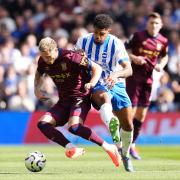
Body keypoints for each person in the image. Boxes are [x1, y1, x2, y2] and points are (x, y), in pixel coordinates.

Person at [34, 37, 120, 167]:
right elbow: (38, 74)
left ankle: (109, 147)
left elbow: (97, 68)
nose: (47, 60)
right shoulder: (43, 61)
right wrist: (37, 90)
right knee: (42, 124)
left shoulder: (71, 57)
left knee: (74, 127)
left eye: (49, 56)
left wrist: (91, 83)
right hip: (63, 101)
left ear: (56, 50)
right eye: (44, 57)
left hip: (80, 97)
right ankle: (71, 148)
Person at [75, 14, 134, 172]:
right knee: (103, 98)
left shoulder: (116, 44)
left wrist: (115, 74)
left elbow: (129, 69)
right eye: (96, 33)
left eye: (102, 34)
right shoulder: (83, 41)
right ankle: (114, 135)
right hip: (96, 82)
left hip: (116, 83)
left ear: (109, 31)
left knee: (128, 124)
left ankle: (125, 153)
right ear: (92, 30)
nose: (98, 37)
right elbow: (75, 61)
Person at [125, 12, 168, 160]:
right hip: (133, 79)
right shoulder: (137, 36)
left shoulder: (163, 40)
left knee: (142, 115)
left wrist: (161, 65)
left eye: (156, 23)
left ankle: (132, 145)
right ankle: (124, 143)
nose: (154, 25)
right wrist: (134, 58)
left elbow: (165, 56)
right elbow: (124, 50)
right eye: (151, 23)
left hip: (148, 81)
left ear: (161, 25)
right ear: (147, 24)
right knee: (132, 112)